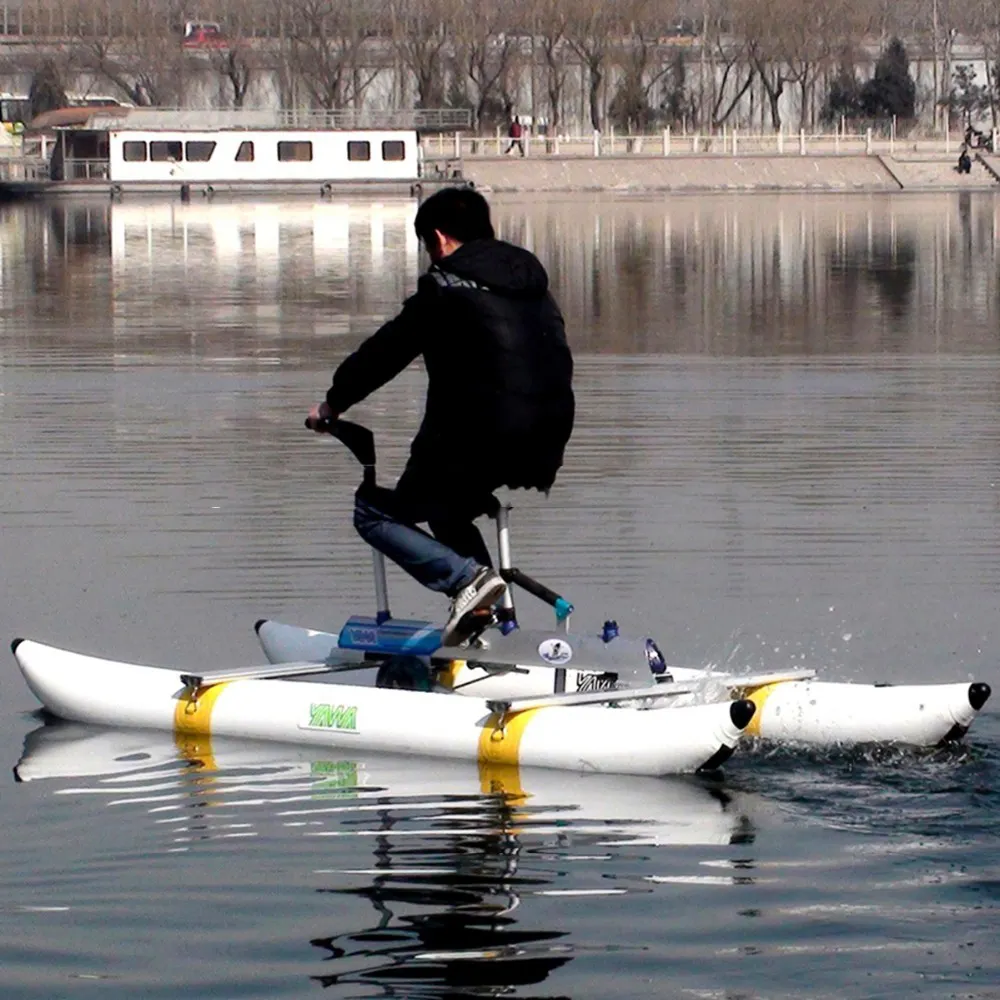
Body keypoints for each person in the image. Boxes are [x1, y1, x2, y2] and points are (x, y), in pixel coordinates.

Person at [306, 187, 574, 643]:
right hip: (548, 437)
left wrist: (332, 406)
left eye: (427, 247)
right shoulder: (533, 287)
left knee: (375, 514)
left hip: (479, 434)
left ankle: (468, 582)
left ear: (438, 237)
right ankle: (493, 624)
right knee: (447, 512)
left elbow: (385, 353)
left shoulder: (445, 287)